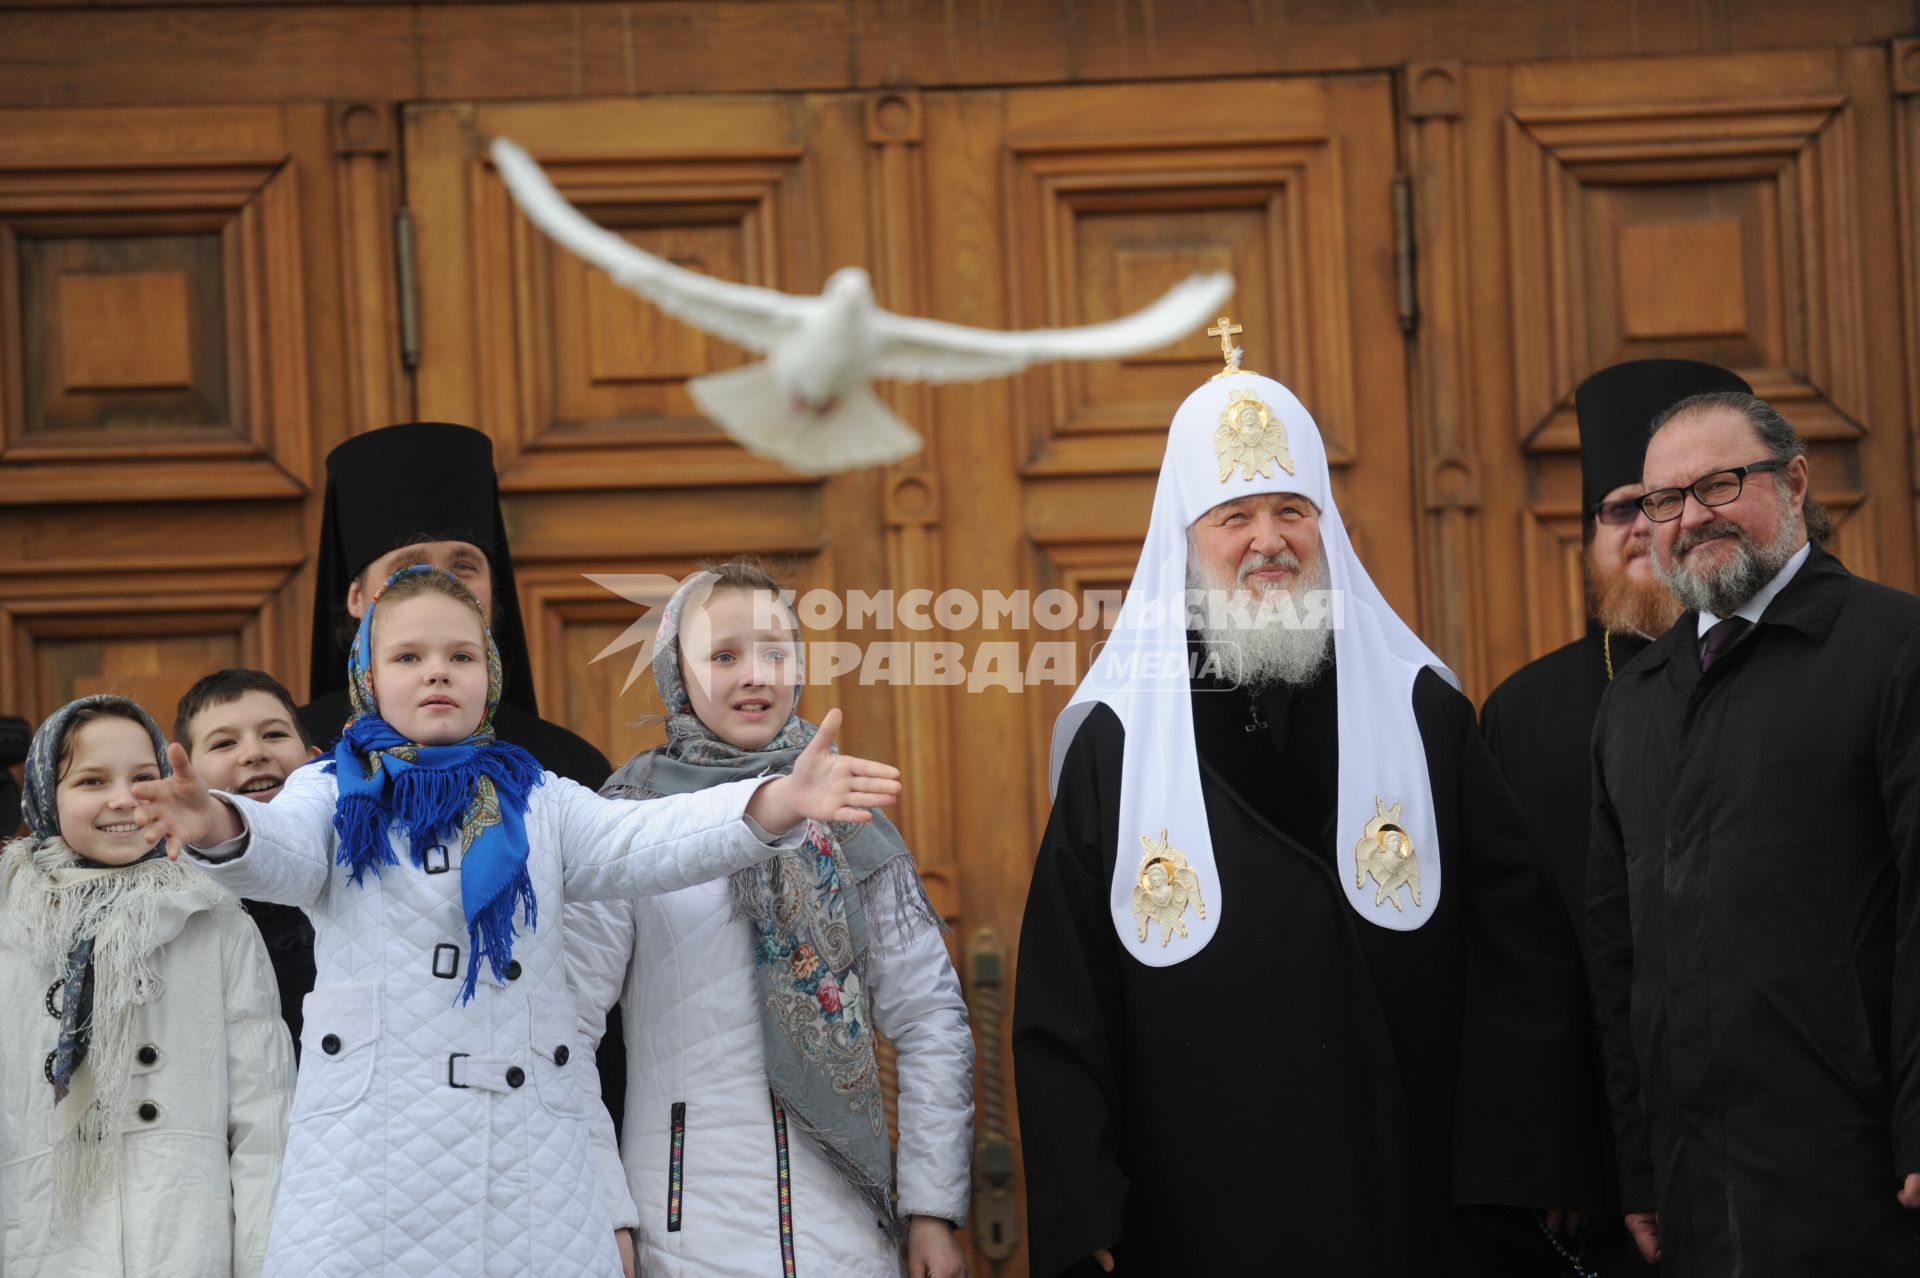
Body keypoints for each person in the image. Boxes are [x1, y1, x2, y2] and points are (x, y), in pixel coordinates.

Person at [129, 566, 901, 1278]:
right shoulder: (330, 790)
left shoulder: (542, 796)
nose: (437, 670)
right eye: (409, 658)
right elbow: (280, 854)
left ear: (489, 678)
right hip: (366, 1167)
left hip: (530, 1169)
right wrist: (216, 822)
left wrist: (774, 802)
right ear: (366, 677)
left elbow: (650, 838)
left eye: (460, 656)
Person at [1012, 353, 1600, 1277]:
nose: (1268, 540)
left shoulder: (1421, 708)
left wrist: (1517, 1173)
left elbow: (1518, 949)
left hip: (1414, 1196)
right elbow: (1065, 999)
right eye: (1234, 516)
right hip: (1201, 1209)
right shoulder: (1119, 740)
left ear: (1326, 528)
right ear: (1185, 537)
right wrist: (1087, 1210)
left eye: (1292, 511)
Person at [1588, 390, 1920, 1275]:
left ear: (1796, 482)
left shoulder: (1894, 649)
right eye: (1664, 501)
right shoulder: (1633, 702)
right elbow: (1618, 953)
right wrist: (1640, 1162)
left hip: (1861, 1166)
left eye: (1721, 484)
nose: (1691, 518)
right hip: (1694, 1182)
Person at [569, 564, 973, 1278]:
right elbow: (563, 1031)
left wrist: (933, 1210)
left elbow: (931, 1018)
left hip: (851, 1238)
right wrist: (609, 1216)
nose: (753, 674)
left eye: (774, 652)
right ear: (676, 670)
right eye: (723, 655)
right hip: (682, 1237)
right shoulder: (627, 820)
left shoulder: (850, 816)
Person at [295, 420, 629, 1125]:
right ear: (357, 597)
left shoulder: (564, 766)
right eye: (410, 564)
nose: (441, 581)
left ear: (492, 592)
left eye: (464, 563)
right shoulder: (298, 751)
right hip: (353, 1117)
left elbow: (599, 976)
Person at [0, 695, 293, 1277]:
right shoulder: (10, 924)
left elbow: (266, 1119)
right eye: (90, 780)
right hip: (41, 1237)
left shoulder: (216, 919)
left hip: (185, 1237)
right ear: (44, 797)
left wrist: (266, 1263)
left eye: (143, 777)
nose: (122, 799)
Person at [1483, 359, 1749, 927]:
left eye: (1670, 501)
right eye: (1623, 508)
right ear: (1589, 535)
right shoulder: (1519, 715)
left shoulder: (1794, 668)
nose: (1646, 527)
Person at [177, 668, 325, 1049]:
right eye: (224, 743)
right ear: (185, 778)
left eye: (274, 734)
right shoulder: (174, 906)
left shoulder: (362, 864)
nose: (254, 753)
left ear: (317, 763)